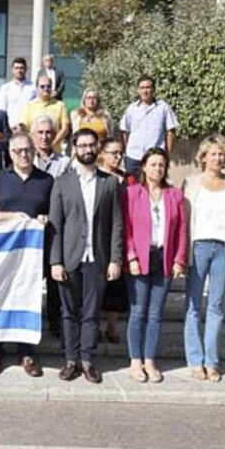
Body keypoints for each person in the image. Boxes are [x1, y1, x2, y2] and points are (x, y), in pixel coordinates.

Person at [49, 129, 124, 384]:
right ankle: (70, 360)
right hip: (69, 258)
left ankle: (88, 361)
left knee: (91, 313)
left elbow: (117, 224)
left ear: (98, 148)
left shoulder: (110, 182)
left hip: (98, 259)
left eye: (92, 145)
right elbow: (55, 225)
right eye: (82, 145)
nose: (87, 149)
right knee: (69, 312)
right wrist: (55, 261)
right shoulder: (62, 182)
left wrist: (115, 259)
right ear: (75, 148)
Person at [0, 132, 53, 377]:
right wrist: (13, 217)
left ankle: (27, 352)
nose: (24, 154)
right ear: (9, 153)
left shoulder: (47, 180)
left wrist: (46, 218)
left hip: (32, 257)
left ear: (34, 151)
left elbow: (52, 213)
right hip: (2, 255)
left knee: (29, 300)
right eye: (18, 151)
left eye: (28, 150)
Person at [183, 134, 225, 383]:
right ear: (203, 157)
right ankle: (195, 359)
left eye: (222, 154)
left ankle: (211, 361)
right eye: (213, 154)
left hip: (223, 249)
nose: (218, 158)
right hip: (197, 248)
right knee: (193, 305)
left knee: (217, 306)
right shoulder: (190, 183)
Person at [124, 147, 187, 383]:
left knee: (155, 313)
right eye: (153, 164)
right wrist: (130, 256)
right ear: (143, 167)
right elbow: (127, 228)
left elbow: (181, 229)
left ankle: (150, 360)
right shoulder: (132, 193)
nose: (157, 169)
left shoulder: (175, 195)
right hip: (140, 258)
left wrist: (180, 259)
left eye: (161, 165)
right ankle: (135, 361)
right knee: (138, 311)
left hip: (165, 258)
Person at [30, 115, 71, 340]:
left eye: (48, 133)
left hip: (55, 229)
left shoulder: (64, 163)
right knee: (32, 281)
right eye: (40, 132)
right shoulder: (25, 158)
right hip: (31, 232)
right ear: (33, 135)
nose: (45, 136)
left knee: (55, 282)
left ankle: (55, 324)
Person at [96, 137, 129, 343]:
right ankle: (95, 326)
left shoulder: (128, 179)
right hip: (99, 235)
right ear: (102, 153)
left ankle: (111, 326)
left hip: (121, 235)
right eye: (113, 152)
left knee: (116, 284)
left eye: (120, 153)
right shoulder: (96, 176)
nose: (117, 157)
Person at [120, 75, 179, 176]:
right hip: (133, 157)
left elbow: (171, 131)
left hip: (154, 158)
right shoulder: (132, 108)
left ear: (153, 89)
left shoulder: (163, 107)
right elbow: (124, 130)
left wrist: (167, 154)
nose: (145, 91)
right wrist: (126, 150)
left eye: (148, 87)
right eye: (142, 88)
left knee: (154, 187)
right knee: (131, 188)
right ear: (138, 90)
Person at [20, 75, 70, 150]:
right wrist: (35, 144)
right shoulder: (29, 106)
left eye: (48, 86)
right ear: (37, 88)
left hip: (54, 151)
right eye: (42, 86)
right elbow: (24, 128)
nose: (46, 89)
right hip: (34, 151)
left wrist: (53, 144)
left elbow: (65, 129)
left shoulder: (60, 106)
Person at [0, 57, 36, 132]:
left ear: (26, 69)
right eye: (16, 68)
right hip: (11, 129)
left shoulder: (33, 87)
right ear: (12, 70)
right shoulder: (5, 88)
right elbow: (2, 111)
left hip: (29, 129)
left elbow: (36, 108)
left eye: (22, 68)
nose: (19, 70)